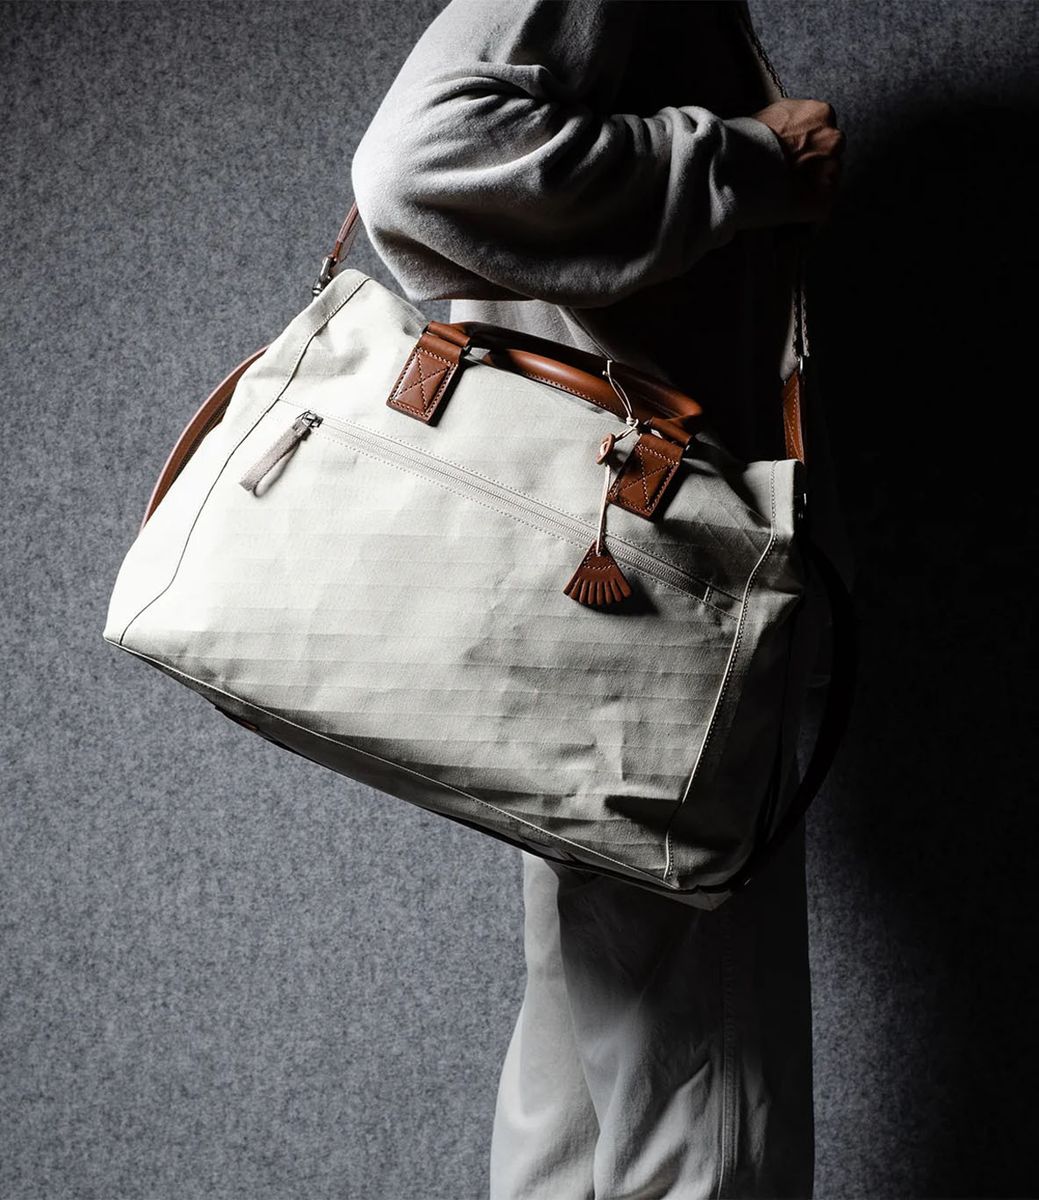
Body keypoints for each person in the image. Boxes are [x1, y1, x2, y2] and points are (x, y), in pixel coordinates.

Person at [351, 2, 845, 1197]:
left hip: (598, 568)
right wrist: (749, 161)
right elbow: (415, 164)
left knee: (593, 1048)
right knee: (700, 1073)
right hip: (656, 584)